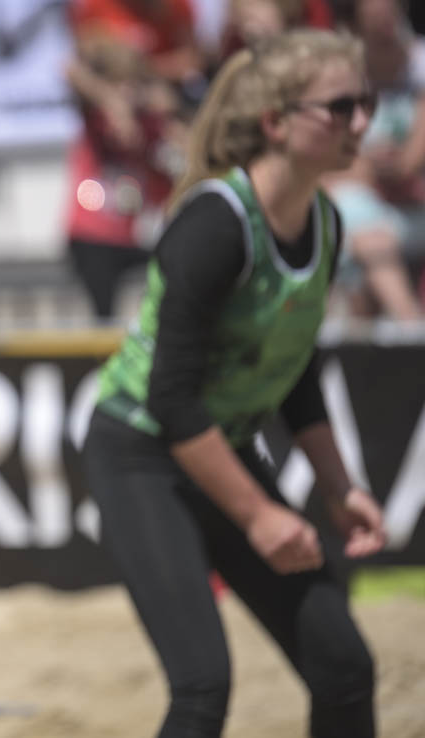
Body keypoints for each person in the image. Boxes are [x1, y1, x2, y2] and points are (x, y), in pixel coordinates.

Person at [83, 29, 386, 737]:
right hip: (141, 453)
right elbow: (171, 397)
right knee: (202, 686)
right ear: (276, 123)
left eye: (366, 103)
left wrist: (339, 488)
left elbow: (295, 372)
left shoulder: (324, 220)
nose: (361, 122)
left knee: (344, 666)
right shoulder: (216, 222)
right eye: (341, 107)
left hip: (218, 444)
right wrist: (258, 515)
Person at [64, 0, 204, 321]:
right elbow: (71, 71)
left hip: (141, 232)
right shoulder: (95, 111)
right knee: (102, 319)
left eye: (132, 83)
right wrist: (112, 101)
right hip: (94, 232)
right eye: (120, 82)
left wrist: (167, 117)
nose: (126, 90)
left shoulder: (152, 120)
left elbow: (184, 152)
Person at [325, 0, 425, 320]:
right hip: (369, 209)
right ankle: (408, 328)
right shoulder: (339, 80)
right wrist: (372, 171)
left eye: (391, 11)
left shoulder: (420, 64)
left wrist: (390, 167)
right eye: (376, 15)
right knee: (357, 220)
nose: (387, 23)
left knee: (364, 234)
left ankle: (408, 331)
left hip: (415, 208)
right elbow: (325, 171)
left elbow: (409, 163)